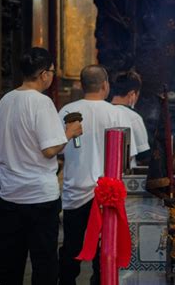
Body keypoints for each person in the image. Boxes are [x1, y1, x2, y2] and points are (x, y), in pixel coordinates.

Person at [0, 47, 82, 285]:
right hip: (38, 198)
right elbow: (50, 149)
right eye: (53, 72)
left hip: (8, 195)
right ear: (44, 74)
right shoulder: (41, 102)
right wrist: (70, 132)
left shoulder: (5, 100)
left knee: (9, 264)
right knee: (44, 263)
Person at [58, 65, 136, 285]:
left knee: (72, 245)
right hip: (107, 194)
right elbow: (127, 157)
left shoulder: (66, 111)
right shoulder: (116, 113)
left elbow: (58, 150)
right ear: (105, 85)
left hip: (75, 192)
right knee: (106, 246)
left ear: (82, 86)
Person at [110, 71, 150, 167]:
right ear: (132, 94)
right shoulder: (134, 118)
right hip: (125, 176)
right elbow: (143, 155)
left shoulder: (103, 112)